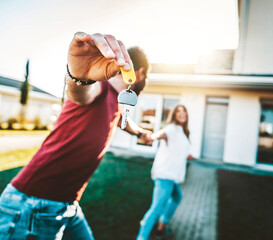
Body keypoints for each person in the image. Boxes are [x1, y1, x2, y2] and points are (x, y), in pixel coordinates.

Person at [0, 32, 150, 240]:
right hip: (34, 203)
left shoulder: (116, 101)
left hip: (68, 204)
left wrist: (140, 132)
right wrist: (79, 77)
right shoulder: (99, 87)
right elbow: (81, 92)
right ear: (140, 73)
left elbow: (123, 122)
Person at [137, 105, 194, 240]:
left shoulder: (183, 131)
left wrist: (188, 155)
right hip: (165, 175)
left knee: (176, 197)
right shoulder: (171, 129)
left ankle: (162, 226)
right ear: (174, 115)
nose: (182, 114)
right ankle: (142, 237)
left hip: (173, 176)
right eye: (178, 111)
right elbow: (161, 134)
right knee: (156, 208)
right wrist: (152, 137)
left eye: (184, 111)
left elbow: (180, 149)